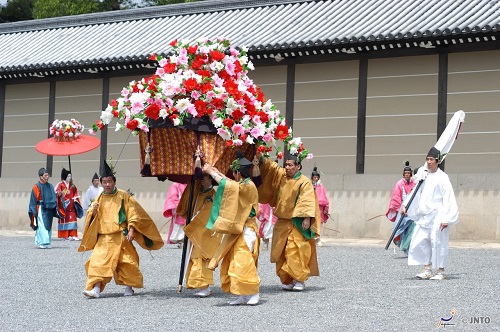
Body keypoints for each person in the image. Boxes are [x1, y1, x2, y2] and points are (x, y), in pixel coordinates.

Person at [78, 161, 164, 298]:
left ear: (114, 181)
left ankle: (129, 287)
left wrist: (131, 230)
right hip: (104, 237)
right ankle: (96, 289)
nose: (107, 184)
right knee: (97, 261)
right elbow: (93, 217)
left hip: (121, 235)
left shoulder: (123, 195)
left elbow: (132, 213)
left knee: (127, 262)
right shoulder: (99, 198)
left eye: (109, 181)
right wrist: (92, 211)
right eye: (104, 182)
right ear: (101, 183)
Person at [255, 151, 321, 291]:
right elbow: (271, 167)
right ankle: (287, 279)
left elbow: (307, 200)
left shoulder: (304, 182)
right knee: (281, 251)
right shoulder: (282, 177)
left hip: (296, 222)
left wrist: (307, 218)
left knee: (295, 250)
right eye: (286, 165)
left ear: (298, 166)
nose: (287, 167)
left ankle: (299, 279)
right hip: (282, 222)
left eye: (290, 165)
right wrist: (259, 156)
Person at [203, 151, 260, 305]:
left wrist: (210, 172)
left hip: (247, 228)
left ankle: (253, 292)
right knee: (233, 261)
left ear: (237, 172)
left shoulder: (248, 186)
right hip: (237, 229)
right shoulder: (242, 184)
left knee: (243, 260)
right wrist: (215, 171)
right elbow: (229, 183)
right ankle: (242, 294)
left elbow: (228, 186)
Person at [403, 147, 459, 281]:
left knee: (437, 241)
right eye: (427, 159)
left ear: (438, 161)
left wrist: (447, 218)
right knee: (421, 240)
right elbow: (414, 193)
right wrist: (406, 205)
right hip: (424, 215)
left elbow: (448, 197)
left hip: (438, 214)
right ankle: (427, 268)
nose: (429, 162)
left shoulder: (443, 178)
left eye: (431, 159)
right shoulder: (423, 176)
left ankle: (440, 271)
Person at [176, 152, 221, 298]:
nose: (202, 180)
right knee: (194, 257)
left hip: (205, 231)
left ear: (211, 179)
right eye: (201, 178)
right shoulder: (197, 192)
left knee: (202, 256)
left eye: (205, 177)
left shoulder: (213, 195)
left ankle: (205, 286)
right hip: (195, 231)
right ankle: (199, 284)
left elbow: (211, 216)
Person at [386, 161, 416, 253]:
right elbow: (396, 197)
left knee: (411, 229)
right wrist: (400, 209)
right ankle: (399, 243)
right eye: (406, 173)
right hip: (402, 210)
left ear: (411, 174)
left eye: (408, 173)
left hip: (412, 210)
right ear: (403, 174)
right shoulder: (399, 184)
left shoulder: (414, 183)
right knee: (400, 228)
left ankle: (407, 248)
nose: (407, 174)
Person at [28, 167, 58, 249]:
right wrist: (33, 210)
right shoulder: (36, 186)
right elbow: (33, 199)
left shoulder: (50, 186)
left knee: (48, 225)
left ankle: (47, 242)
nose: (47, 177)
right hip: (41, 208)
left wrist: (58, 195)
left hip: (50, 208)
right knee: (42, 225)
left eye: (48, 175)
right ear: (41, 176)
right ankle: (42, 242)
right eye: (45, 175)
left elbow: (53, 196)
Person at [55, 168, 81, 241]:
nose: (70, 178)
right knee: (64, 220)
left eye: (70, 176)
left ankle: (73, 235)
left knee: (73, 219)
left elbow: (75, 193)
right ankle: (64, 235)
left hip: (71, 205)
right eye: (68, 176)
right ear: (65, 176)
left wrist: (75, 198)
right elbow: (57, 192)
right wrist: (60, 194)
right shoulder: (60, 185)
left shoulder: (72, 186)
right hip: (64, 206)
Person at [163, 182, 187, 247]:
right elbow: (173, 196)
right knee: (179, 224)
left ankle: (185, 240)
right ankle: (179, 240)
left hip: (188, 206)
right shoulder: (175, 184)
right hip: (179, 206)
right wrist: (178, 206)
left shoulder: (191, 184)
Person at [311, 167, 330, 246]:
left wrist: (326, 208)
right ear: (312, 178)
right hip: (312, 208)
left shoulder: (321, 187)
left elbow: (325, 199)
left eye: (317, 177)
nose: (316, 178)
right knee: (312, 224)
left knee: (319, 224)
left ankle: (318, 239)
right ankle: (312, 239)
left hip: (320, 209)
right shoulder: (310, 186)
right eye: (314, 177)